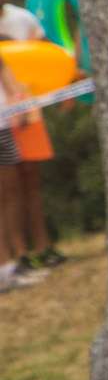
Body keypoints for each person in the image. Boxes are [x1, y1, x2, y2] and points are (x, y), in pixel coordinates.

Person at [0, 0, 59, 269]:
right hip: (2, 117)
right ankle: (16, 255)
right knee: (7, 189)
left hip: (27, 113)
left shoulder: (22, 19)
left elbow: (46, 55)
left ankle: (42, 247)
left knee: (30, 182)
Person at [0, 56, 47, 293]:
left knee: (11, 195)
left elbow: (11, 84)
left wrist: (22, 107)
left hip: (4, 126)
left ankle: (14, 263)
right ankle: (5, 267)